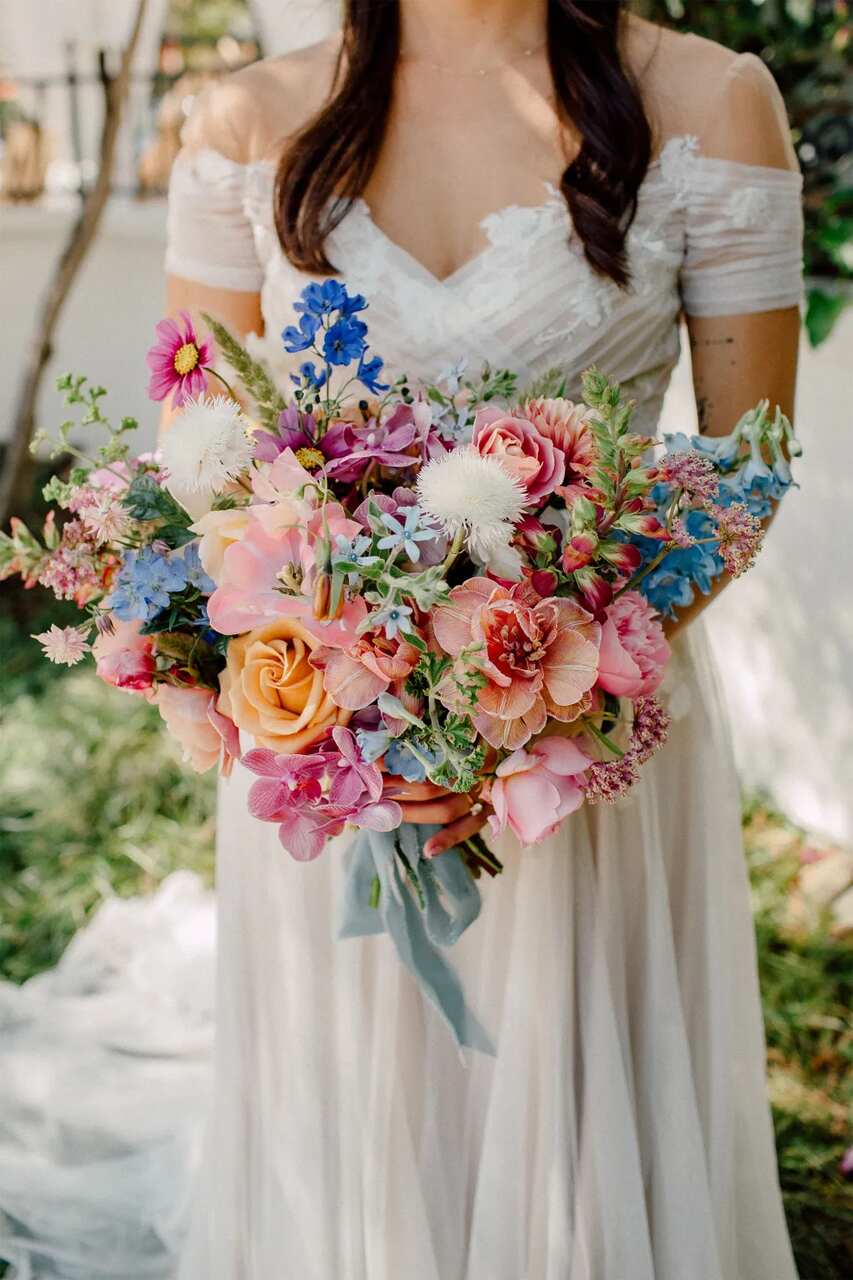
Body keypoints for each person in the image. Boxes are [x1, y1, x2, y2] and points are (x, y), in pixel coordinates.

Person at [164, 2, 803, 1276]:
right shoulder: (244, 125)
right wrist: (362, 695)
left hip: (579, 755)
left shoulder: (710, 102)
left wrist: (518, 709)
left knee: (567, 1112)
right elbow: (206, 467)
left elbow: (744, 472)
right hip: (337, 760)